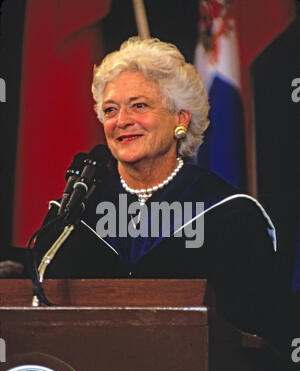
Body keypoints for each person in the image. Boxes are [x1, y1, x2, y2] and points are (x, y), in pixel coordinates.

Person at [33, 37, 285, 350]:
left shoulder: (229, 218)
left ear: (181, 118)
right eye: (111, 110)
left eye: (139, 105)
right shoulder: (73, 217)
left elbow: (258, 339)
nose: (122, 121)